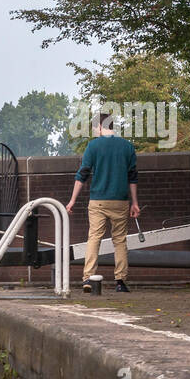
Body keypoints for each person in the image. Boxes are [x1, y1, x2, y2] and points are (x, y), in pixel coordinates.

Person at [65, 112, 141, 293]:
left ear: (100, 126)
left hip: (98, 201)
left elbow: (82, 175)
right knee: (120, 241)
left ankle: (88, 278)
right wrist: (135, 203)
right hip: (120, 201)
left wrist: (72, 200)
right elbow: (133, 178)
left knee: (94, 239)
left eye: (94, 129)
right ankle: (120, 282)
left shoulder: (93, 146)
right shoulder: (127, 147)